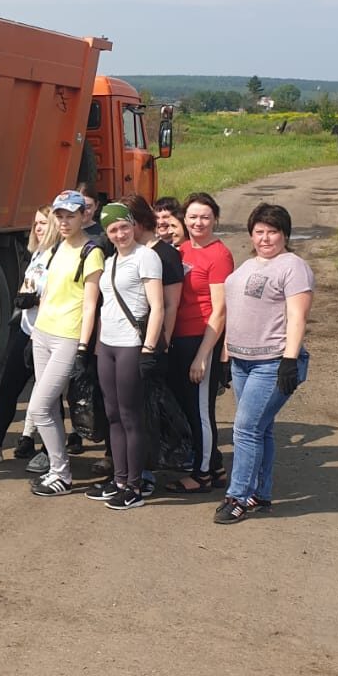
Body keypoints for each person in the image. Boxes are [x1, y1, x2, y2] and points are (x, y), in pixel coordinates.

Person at [215, 203, 314, 523]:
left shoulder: (292, 266)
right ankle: (261, 492)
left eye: (273, 231)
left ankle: (238, 495)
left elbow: (298, 316)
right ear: (251, 234)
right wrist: (225, 356)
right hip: (242, 360)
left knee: (244, 429)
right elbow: (236, 312)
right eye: (259, 231)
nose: (266, 238)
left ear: (285, 234)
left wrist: (289, 360)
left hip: (272, 362)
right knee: (261, 430)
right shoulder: (247, 266)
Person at [21, 190, 104, 497]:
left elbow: (90, 305)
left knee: (41, 407)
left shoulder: (92, 251)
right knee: (49, 407)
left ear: (84, 215)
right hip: (42, 333)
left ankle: (62, 473)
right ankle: (58, 470)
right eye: (60, 215)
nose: (65, 221)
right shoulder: (55, 249)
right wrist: (34, 334)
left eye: (71, 215)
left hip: (68, 336)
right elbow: (46, 293)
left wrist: (83, 348)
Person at [87, 202, 165, 509]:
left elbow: (157, 306)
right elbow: (105, 306)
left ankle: (134, 486)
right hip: (107, 344)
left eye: (124, 227)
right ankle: (119, 480)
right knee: (113, 415)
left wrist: (148, 347)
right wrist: (95, 346)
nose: (120, 234)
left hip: (133, 344)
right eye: (113, 229)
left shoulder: (146, 257)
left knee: (132, 416)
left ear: (133, 225)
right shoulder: (108, 262)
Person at [0, 206, 58, 465]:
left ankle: (48, 452)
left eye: (45, 222)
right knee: (8, 388)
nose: (39, 227)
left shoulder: (60, 256)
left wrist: (38, 298)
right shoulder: (37, 254)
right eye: (37, 223)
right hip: (27, 331)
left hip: (50, 334)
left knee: (47, 397)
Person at [164, 192, 234, 493]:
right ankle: (215, 468)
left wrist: (204, 355)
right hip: (180, 337)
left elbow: (220, 310)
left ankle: (203, 475)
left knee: (201, 411)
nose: (198, 222)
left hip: (202, 338)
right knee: (189, 407)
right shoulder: (181, 250)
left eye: (205, 216)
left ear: (215, 219)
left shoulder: (219, 254)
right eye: (192, 217)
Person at [124, 193, 184, 493]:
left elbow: (171, 306)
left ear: (137, 222)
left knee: (147, 409)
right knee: (127, 407)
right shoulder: (125, 251)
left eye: (125, 222)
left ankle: (146, 472)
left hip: (151, 342)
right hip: (122, 342)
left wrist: (163, 344)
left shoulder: (166, 255)